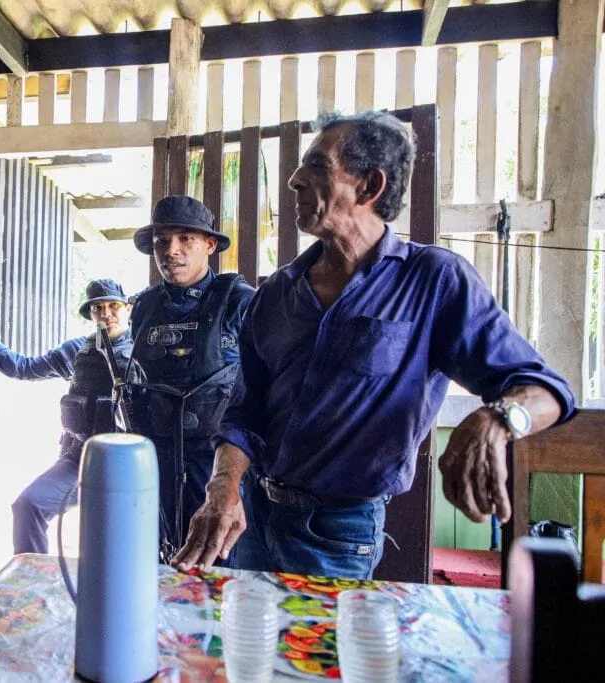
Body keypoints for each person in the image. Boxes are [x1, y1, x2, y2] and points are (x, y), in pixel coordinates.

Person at [172, 111, 575, 579]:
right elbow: (244, 414)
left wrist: (499, 418)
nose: (294, 180)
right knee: (243, 649)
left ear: (369, 186)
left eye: (317, 167)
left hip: (339, 529)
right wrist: (224, 486)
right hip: (254, 518)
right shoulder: (276, 293)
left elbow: (546, 388)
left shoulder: (434, 280)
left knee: (322, 653)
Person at [0, 278, 133, 554]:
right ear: (90, 314)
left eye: (114, 306)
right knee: (28, 505)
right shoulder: (78, 351)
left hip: (130, 463)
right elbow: (24, 368)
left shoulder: (145, 351)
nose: (106, 314)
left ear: (128, 309)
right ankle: (32, 581)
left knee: (114, 549)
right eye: (98, 308)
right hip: (81, 457)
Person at [126, 195, 256, 565]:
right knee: (150, 566)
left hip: (216, 467)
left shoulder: (239, 301)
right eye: (162, 241)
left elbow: (265, 388)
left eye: (187, 240)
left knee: (214, 567)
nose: (172, 250)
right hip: (154, 461)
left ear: (210, 245)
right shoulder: (145, 306)